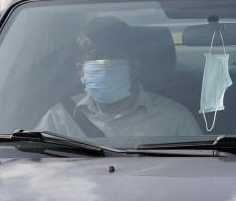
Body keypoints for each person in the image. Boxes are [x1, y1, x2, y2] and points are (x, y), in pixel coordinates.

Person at [35, 17, 201, 138]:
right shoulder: (59, 118)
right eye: (97, 57)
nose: (105, 63)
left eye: (115, 56)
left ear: (134, 67)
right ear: (80, 70)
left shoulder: (173, 118)